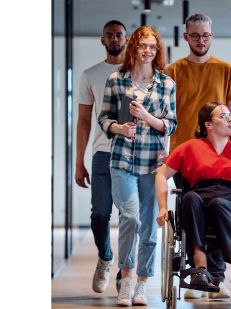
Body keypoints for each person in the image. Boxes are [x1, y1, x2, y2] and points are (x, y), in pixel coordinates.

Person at [155, 102, 231, 295]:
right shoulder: (190, 147)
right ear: (208, 125)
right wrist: (163, 207)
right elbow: (161, 174)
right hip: (199, 202)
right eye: (223, 116)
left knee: (219, 204)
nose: (230, 119)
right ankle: (201, 269)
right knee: (189, 198)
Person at [98, 25, 177, 306]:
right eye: (142, 45)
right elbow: (104, 118)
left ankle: (143, 283)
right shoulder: (116, 79)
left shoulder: (167, 84)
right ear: (134, 47)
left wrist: (146, 116)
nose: (147, 50)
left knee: (150, 225)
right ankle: (126, 279)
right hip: (121, 161)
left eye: (152, 47)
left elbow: (170, 124)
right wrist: (119, 128)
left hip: (153, 164)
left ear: (157, 51)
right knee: (130, 217)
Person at [164, 12, 231, 299]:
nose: (200, 40)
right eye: (195, 35)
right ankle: (196, 273)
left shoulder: (225, 69)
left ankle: (216, 276)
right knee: (192, 210)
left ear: (212, 36)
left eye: (206, 35)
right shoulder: (173, 71)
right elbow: (165, 114)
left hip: (220, 154)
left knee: (219, 206)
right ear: (186, 37)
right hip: (185, 154)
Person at [75, 20, 127, 294]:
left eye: (119, 35)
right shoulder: (90, 74)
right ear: (102, 40)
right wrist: (78, 161)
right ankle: (106, 257)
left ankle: (124, 273)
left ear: (126, 39)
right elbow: (84, 120)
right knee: (100, 214)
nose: (115, 39)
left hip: (132, 155)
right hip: (102, 154)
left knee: (130, 216)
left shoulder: (137, 73)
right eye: (110, 35)